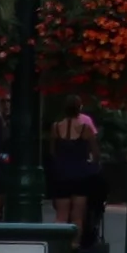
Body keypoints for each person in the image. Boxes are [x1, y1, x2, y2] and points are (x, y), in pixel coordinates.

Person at [47, 97, 99, 229]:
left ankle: (59, 246)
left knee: (61, 215)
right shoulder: (85, 129)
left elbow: (52, 151)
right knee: (77, 216)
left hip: (61, 173)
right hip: (80, 174)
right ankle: (75, 243)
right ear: (79, 109)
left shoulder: (56, 127)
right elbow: (96, 152)